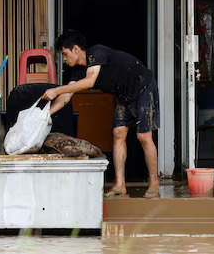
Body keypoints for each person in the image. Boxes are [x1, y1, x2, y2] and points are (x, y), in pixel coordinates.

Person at [43, 30, 160, 198]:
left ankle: (154, 183)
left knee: (143, 136)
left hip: (142, 86)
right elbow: (65, 97)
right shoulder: (77, 72)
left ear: (76, 49)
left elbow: (89, 82)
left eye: (65, 54)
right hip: (124, 95)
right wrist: (46, 114)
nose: (65, 59)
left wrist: (57, 89)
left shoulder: (96, 52)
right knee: (118, 133)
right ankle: (120, 185)